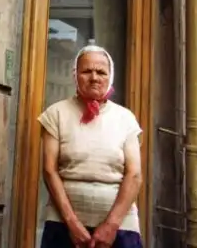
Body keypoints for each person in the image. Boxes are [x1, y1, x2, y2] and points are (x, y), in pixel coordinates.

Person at [38, 44, 143, 248]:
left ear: (110, 77)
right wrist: (72, 223)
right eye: (86, 71)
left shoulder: (125, 118)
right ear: (75, 75)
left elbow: (134, 174)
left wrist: (111, 226)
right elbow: (49, 171)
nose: (94, 77)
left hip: (120, 226)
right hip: (64, 223)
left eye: (101, 72)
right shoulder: (56, 113)